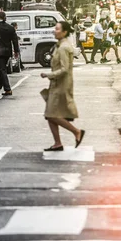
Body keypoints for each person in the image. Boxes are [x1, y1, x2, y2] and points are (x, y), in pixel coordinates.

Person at [41, 21, 85, 151]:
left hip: (61, 85)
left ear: (64, 32)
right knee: (50, 114)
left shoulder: (64, 48)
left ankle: (77, 132)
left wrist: (49, 75)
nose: (55, 31)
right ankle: (57, 143)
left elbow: (64, 69)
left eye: (57, 29)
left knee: (52, 114)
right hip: (56, 84)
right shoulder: (60, 46)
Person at [0, 11, 19, 96]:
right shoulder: (11, 28)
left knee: (2, 70)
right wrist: (16, 51)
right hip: (7, 52)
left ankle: (7, 89)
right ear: (5, 17)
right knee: (3, 69)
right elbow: (15, 40)